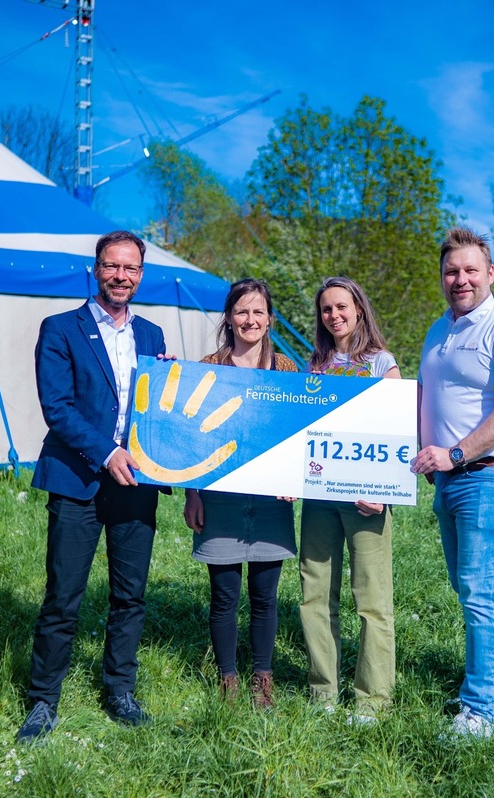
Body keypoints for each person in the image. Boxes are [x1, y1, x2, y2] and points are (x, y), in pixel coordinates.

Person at [17, 230, 170, 742]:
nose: (120, 276)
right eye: (112, 266)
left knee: (130, 596)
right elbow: (56, 407)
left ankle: (120, 691)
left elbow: (156, 407)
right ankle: (43, 701)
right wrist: (106, 452)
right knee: (64, 595)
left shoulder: (151, 336)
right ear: (96, 268)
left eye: (130, 268)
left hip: (135, 482)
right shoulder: (60, 328)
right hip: (78, 476)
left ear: (141, 274)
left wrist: (168, 386)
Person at [410, 227, 494, 740]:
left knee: (481, 591)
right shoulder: (438, 330)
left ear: (489, 274)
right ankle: (486, 686)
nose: (459, 279)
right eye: (450, 271)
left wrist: (456, 452)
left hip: (490, 477)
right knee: (468, 589)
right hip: (449, 480)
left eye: (469, 270)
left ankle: (482, 710)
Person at [183, 278, 298, 709]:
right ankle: (228, 679)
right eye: (242, 311)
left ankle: (262, 680)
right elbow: (191, 435)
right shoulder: (207, 366)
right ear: (229, 317)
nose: (250, 320)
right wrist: (193, 494)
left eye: (258, 312)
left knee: (266, 597)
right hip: (221, 498)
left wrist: (294, 480)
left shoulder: (287, 370)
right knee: (225, 596)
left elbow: (296, 434)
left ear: (269, 320)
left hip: (271, 500)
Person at [298, 276, 399, 723]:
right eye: (326, 310)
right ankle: (324, 694)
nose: (334, 315)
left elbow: (398, 429)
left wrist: (379, 489)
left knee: (371, 600)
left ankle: (372, 700)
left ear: (359, 308)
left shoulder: (381, 364)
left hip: (367, 502)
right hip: (320, 497)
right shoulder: (314, 365)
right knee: (315, 596)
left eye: (341, 307)